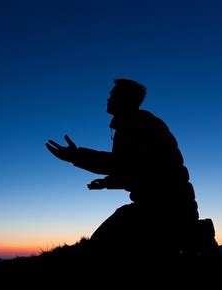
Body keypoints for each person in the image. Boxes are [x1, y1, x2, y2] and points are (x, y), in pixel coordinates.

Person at [46, 79, 200, 255]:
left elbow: (123, 164)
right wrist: (106, 182)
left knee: (98, 248)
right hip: (165, 207)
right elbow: (138, 171)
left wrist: (76, 156)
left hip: (165, 211)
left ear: (124, 99)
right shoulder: (135, 124)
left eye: (112, 95)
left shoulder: (139, 125)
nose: (108, 99)